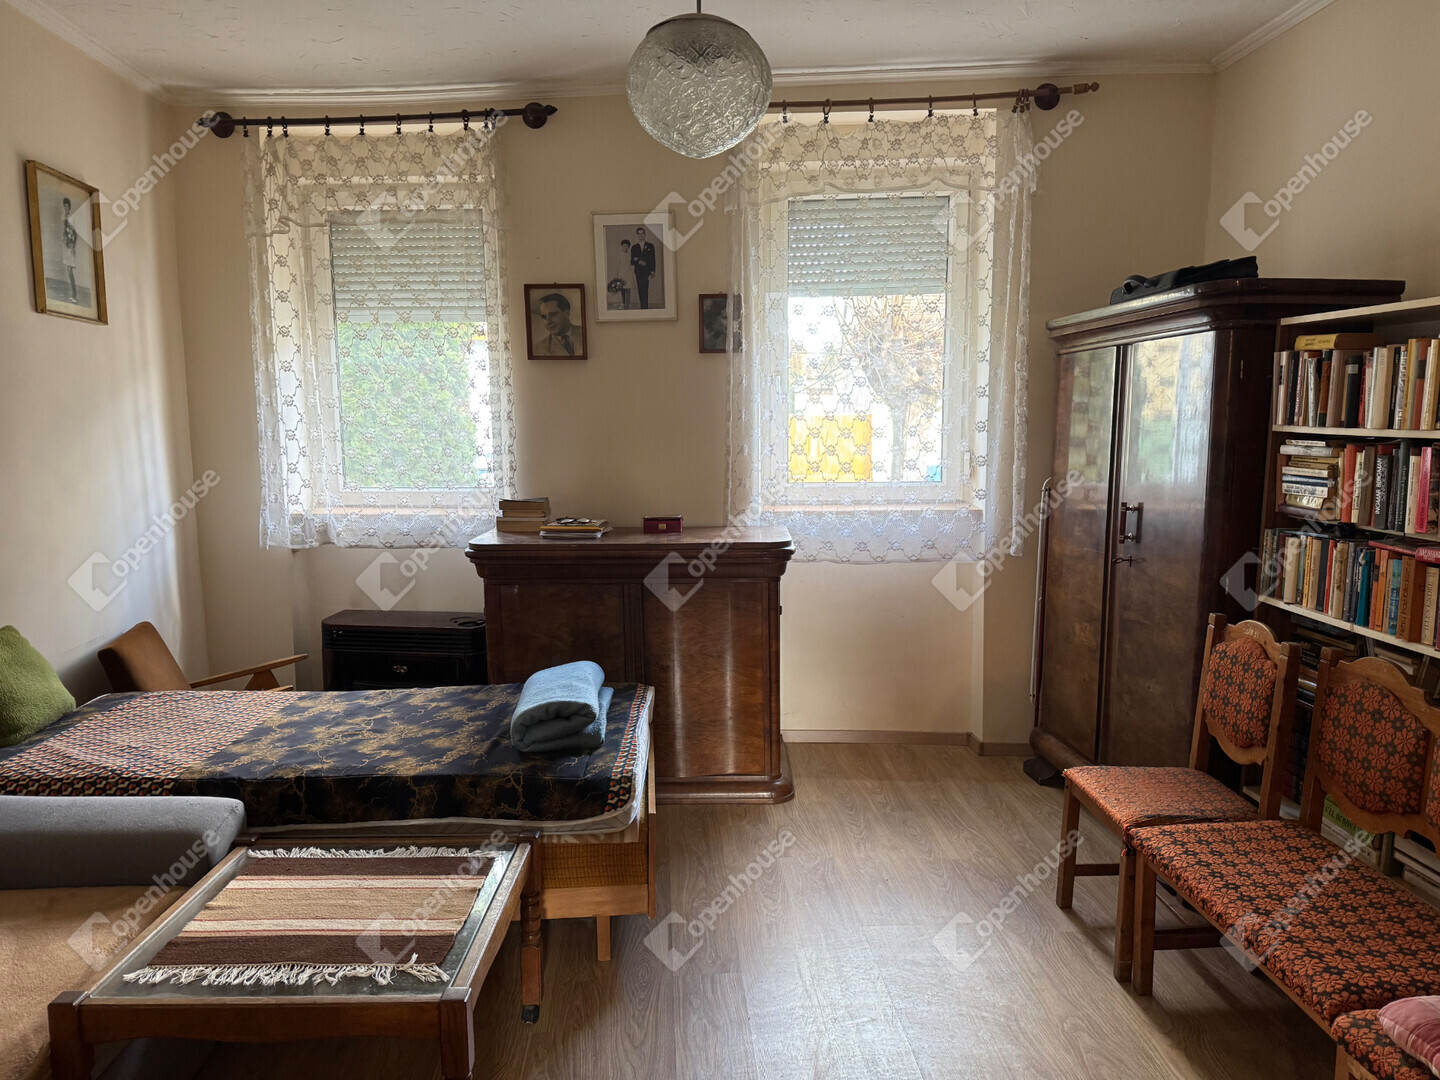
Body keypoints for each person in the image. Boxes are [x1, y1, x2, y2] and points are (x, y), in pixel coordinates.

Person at [533, 292, 583, 356]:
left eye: (552, 314)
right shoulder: (539, 349)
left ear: (566, 313)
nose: (548, 322)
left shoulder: (586, 334)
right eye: (544, 317)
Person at [630, 226, 657, 309]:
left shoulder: (650, 246)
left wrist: (653, 271)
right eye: (639, 234)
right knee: (640, 289)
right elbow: (632, 260)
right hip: (638, 271)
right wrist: (639, 262)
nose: (641, 235)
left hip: (647, 271)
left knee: (645, 288)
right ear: (637, 235)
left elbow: (652, 259)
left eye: (642, 233)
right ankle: (643, 307)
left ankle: (645, 307)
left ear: (645, 234)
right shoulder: (634, 247)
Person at [60, 197, 80, 301]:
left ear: (69, 207)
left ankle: (74, 295)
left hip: (70, 247)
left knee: (70, 270)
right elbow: (65, 232)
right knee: (68, 270)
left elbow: (75, 234)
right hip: (66, 246)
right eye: (65, 206)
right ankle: (73, 294)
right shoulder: (65, 217)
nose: (66, 208)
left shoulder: (71, 218)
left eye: (67, 206)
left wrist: (72, 245)